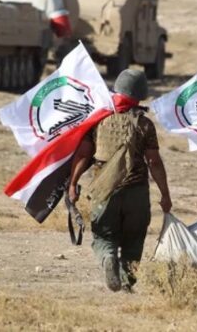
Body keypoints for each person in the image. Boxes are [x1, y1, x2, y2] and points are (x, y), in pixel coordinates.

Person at [68, 69, 172, 293]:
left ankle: (108, 257)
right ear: (141, 95)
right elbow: (154, 162)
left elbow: (83, 155)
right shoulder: (144, 125)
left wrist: (72, 184)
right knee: (134, 238)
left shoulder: (99, 120)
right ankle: (126, 282)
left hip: (105, 191)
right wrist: (165, 194)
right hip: (136, 192)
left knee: (104, 235)